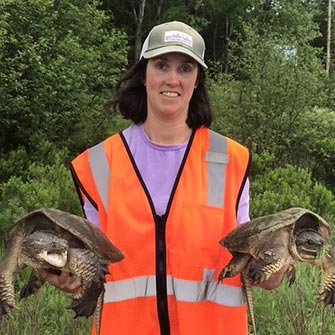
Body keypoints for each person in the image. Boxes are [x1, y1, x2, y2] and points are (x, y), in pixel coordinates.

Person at [41, 21, 287, 335]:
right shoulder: (98, 164)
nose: (173, 79)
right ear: (144, 74)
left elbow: (249, 256)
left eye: (185, 68)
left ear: (197, 80)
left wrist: (271, 268)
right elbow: (90, 262)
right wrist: (70, 276)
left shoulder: (227, 159)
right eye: (161, 65)